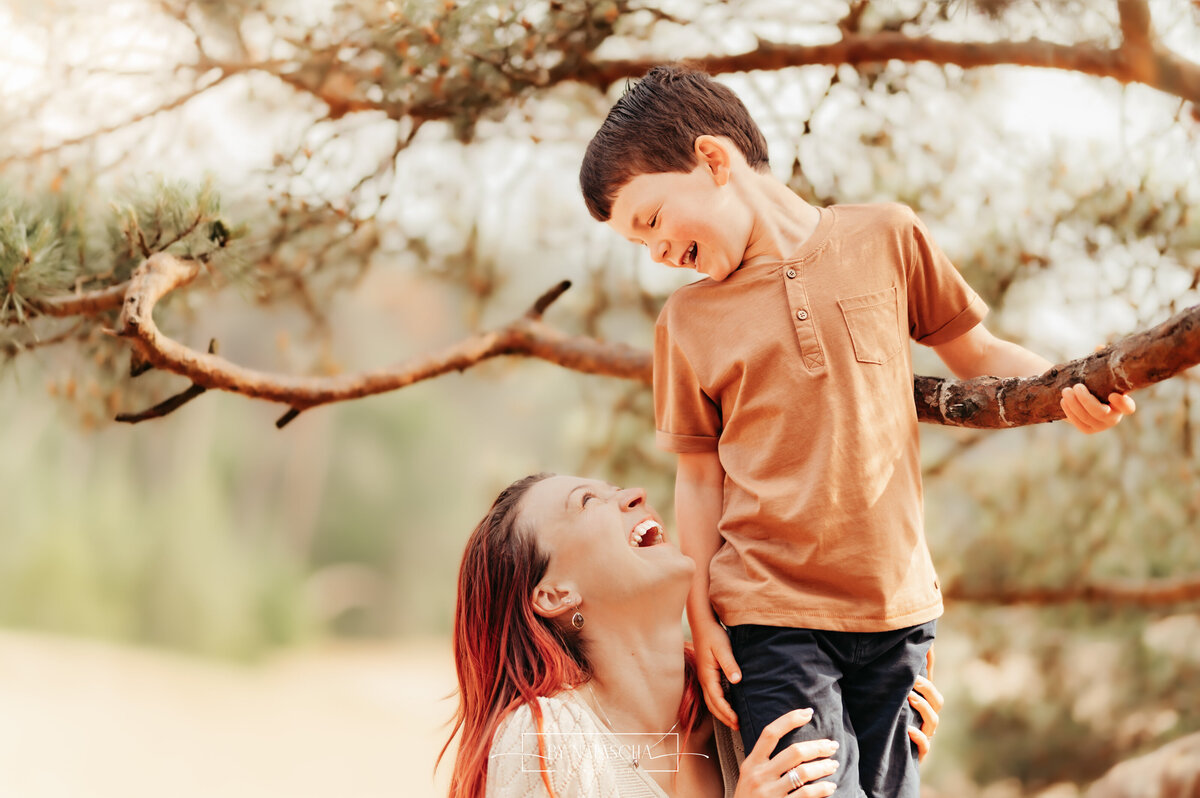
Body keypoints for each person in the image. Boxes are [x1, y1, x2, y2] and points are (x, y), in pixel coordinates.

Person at [578, 64, 1136, 798]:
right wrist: (702, 621)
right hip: (769, 614)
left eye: (650, 221)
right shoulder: (687, 322)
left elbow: (980, 357)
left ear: (714, 160)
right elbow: (699, 477)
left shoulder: (887, 236)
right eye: (634, 243)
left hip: (898, 611)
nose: (653, 253)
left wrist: (1075, 387)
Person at [442, 473, 943, 798]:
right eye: (588, 500)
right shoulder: (541, 742)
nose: (634, 493)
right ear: (554, 594)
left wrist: (880, 744)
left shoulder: (749, 705)